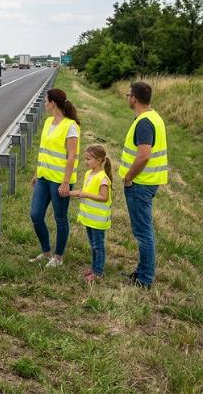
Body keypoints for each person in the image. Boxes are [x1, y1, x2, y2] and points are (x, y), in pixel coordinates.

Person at [119, 81, 168, 289]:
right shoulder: (153, 117)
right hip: (148, 182)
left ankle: (145, 279)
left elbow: (144, 156)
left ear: (134, 98)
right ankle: (142, 272)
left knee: (143, 232)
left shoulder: (144, 122)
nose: (127, 97)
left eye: (128, 95)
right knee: (142, 230)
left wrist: (129, 177)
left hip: (140, 183)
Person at [29, 88, 80, 267]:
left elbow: (71, 156)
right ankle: (46, 253)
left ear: (53, 103)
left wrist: (66, 183)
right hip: (44, 177)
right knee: (36, 215)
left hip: (60, 181)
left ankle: (58, 258)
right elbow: (43, 150)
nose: (44, 104)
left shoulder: (71, 126)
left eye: (46, 101)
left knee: (60, 218)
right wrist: (37, 173)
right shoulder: (48, 122)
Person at [70, 145, 112, 281]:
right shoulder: (88, 174)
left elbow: (104, 197)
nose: (86, 162)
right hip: (89, 218)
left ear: (99, 160)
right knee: (93, 244)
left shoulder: (103, 178)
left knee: (98, 246)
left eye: (89, 159)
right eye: (85, 159)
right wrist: (70, 193)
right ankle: (94, 268)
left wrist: (85, 194)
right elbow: (85, 191)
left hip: (98, 219)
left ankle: (98, 273)